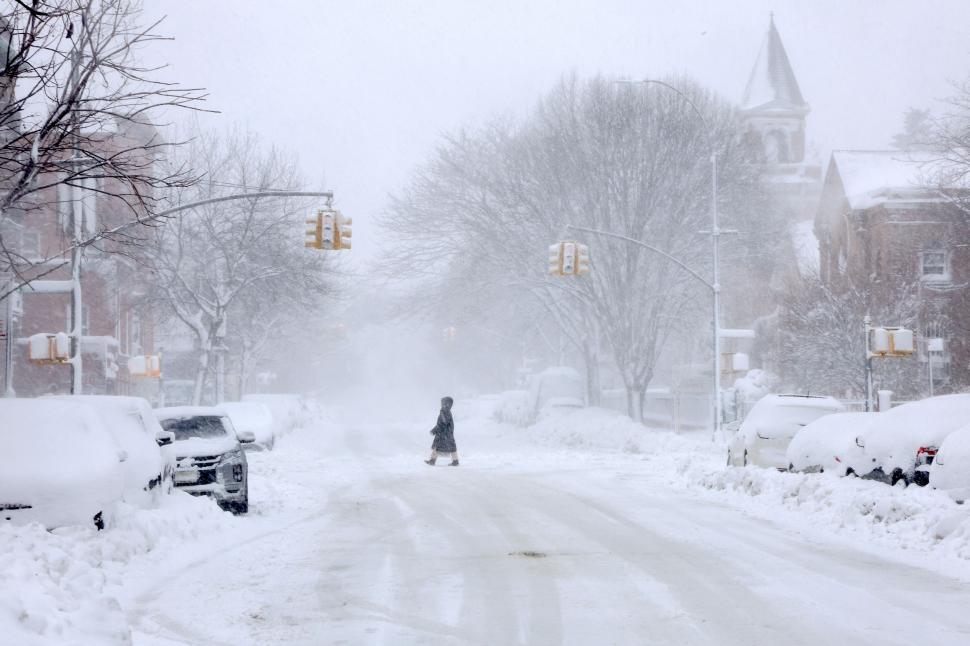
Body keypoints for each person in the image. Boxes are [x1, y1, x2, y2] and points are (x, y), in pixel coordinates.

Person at [425, 396, 459, 466]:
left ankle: (432, 461)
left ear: (446, 403)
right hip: (447, 433)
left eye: (443, 403)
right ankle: (455, 461)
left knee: (438, 446)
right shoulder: (447, 411)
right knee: (451, 447)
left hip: (443, 433)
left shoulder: (444, 411)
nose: (441, 404)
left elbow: (442, 423)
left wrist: (434, 430)